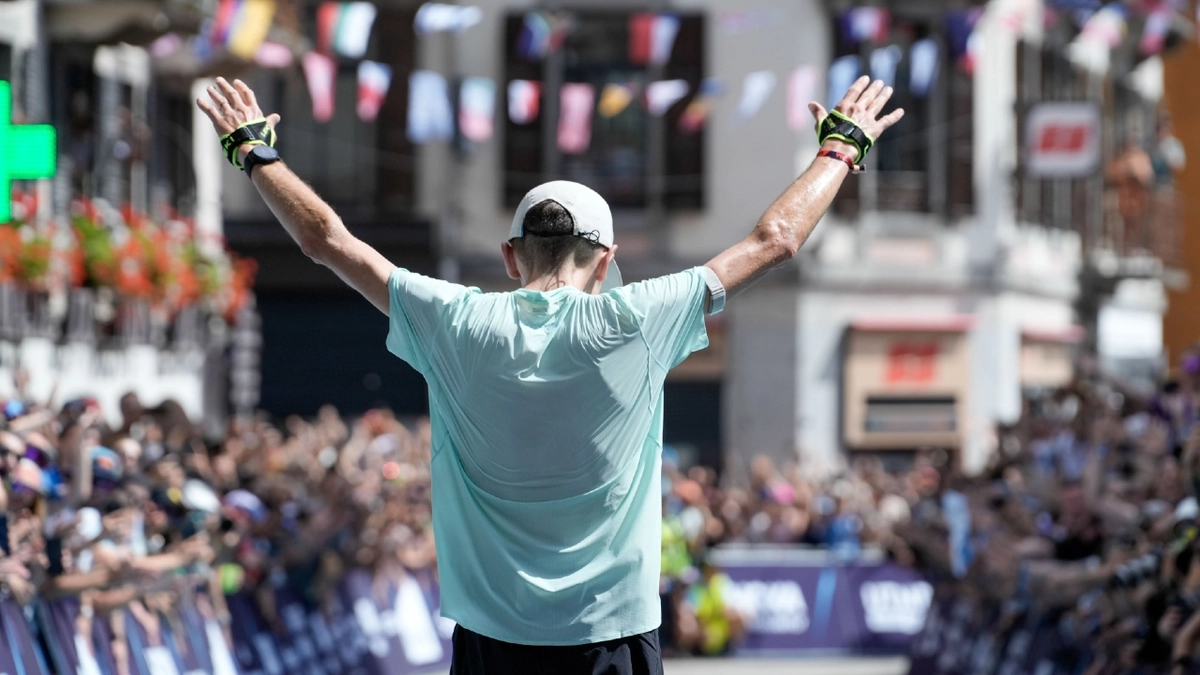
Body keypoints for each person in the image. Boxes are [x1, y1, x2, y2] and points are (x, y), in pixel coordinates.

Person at [195, 74, 903, 674]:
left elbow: (327, 242)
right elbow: (775, 240)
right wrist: (840, 148)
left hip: (491, 638)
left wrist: (253, 150)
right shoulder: (635, 319)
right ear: (604, 259)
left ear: (511, 256)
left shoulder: (455, 321)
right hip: (611, 635)